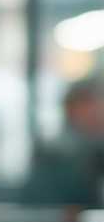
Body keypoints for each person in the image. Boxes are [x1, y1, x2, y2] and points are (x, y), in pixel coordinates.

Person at [25, 77, 104, 211]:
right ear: (70, 110)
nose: (97, 113)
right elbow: (43, 208)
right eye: (89, 105)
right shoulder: (54, 153)